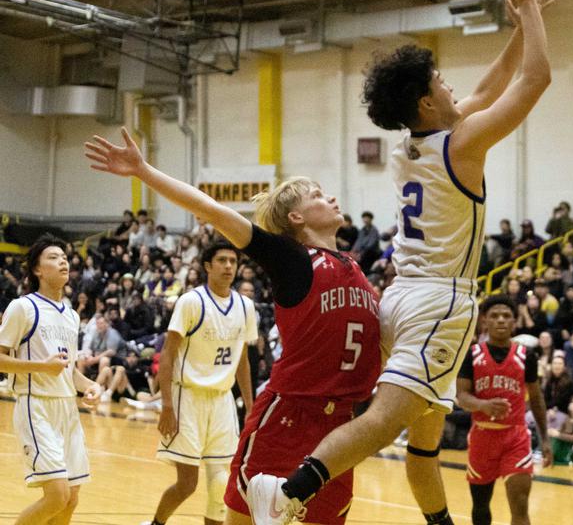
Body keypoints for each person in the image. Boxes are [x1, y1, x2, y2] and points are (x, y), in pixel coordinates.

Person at [242, 0, 555, 524]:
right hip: (440, 300)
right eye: (440, 83)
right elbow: (535, 81)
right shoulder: (462, 145)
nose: (452, 86)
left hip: (400, 298)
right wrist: (528, 7)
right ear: (428, 105)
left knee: (424, 440)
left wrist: (515, 28)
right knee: (386, 420)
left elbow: (485, 91)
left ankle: (439, 521)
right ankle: (288, 493)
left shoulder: (410, 147)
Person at [84, 128, 381, 525]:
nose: (329, 198)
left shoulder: (357, 270)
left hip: (342, 424)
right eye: (316, 196)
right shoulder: (293, 259)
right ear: (296, 218)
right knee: (240, 518)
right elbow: (213, 211)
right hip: (289, 414)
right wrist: (144, 172)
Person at [140, 240, 258, 525]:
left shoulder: (245, 306)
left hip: (222, 401)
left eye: (233, 261)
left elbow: (242, 360)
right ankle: (156, 523)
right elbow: (168, 354)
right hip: (187, 398)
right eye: (222, 260)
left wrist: (252, 407)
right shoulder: (191, 301)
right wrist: (166, 405)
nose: (229, 266)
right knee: (188, 483)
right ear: (207, 266)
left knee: (221, 483)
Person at [0, 235, 103, 524]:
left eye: (65, 257)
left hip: (67, 411)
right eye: (54, 257)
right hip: (36, 407)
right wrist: (41, 368)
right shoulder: (23, 307)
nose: (63, 262)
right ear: (37, 269)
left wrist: (91, 386)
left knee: (70, 500)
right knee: (57, 495)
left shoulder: (71, 315)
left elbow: (67, 370)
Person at [455, 295, 553, 525]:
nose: (501, 320)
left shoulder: (526, 356)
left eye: (506, 316)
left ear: (514, 322)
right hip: (482, 437)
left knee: (520, 505)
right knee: (480, 506)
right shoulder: (472, 354)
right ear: (484, 322)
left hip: (515, 436)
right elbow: (461, 396)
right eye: (494, 316)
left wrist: (545, 439)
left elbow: (537, 400)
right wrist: (482, 405)